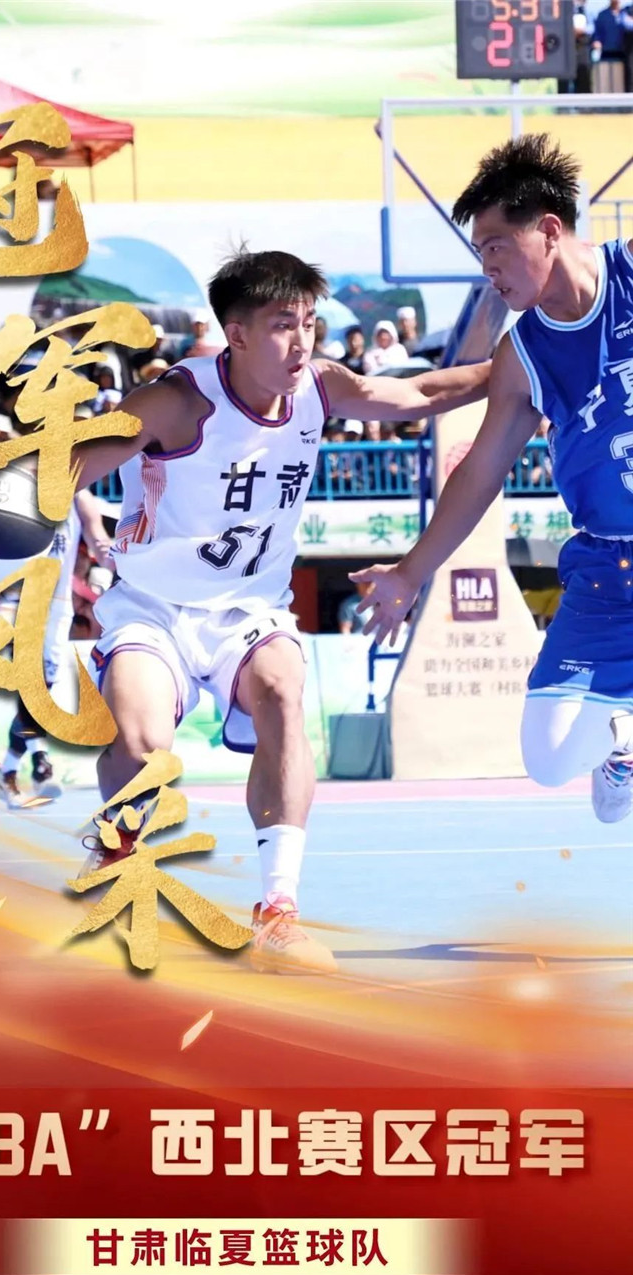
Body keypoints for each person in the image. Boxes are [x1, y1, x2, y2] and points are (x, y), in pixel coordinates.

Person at [72, 248, 489, 971]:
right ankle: (117, 851)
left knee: (283, 690)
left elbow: (418, 392)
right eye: (281, 325)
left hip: (249, 611)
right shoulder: (176, 402)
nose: (302, 342)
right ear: (235, 334)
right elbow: (66, 465)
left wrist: (518, 367)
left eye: (309, 323)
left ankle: (277, 911)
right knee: (142, 747)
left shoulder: (321, 387)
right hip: (153, 607)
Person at [351, 134, 633, 825]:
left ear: (549, 230)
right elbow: (478, 474)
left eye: (496, 248)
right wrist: (410, 574)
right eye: (480, 253)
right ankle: (621, 745)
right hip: (608, 566)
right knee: (547, 759)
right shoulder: (524, 354)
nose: (488, 270)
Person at [0, 488, 113, 807]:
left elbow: (98, 538)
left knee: (41, 689)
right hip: (19, 599)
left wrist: (113, 561)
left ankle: (7, 771)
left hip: (58, 607)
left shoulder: (79, 496)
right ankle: (41, 763)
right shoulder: (17, 485)